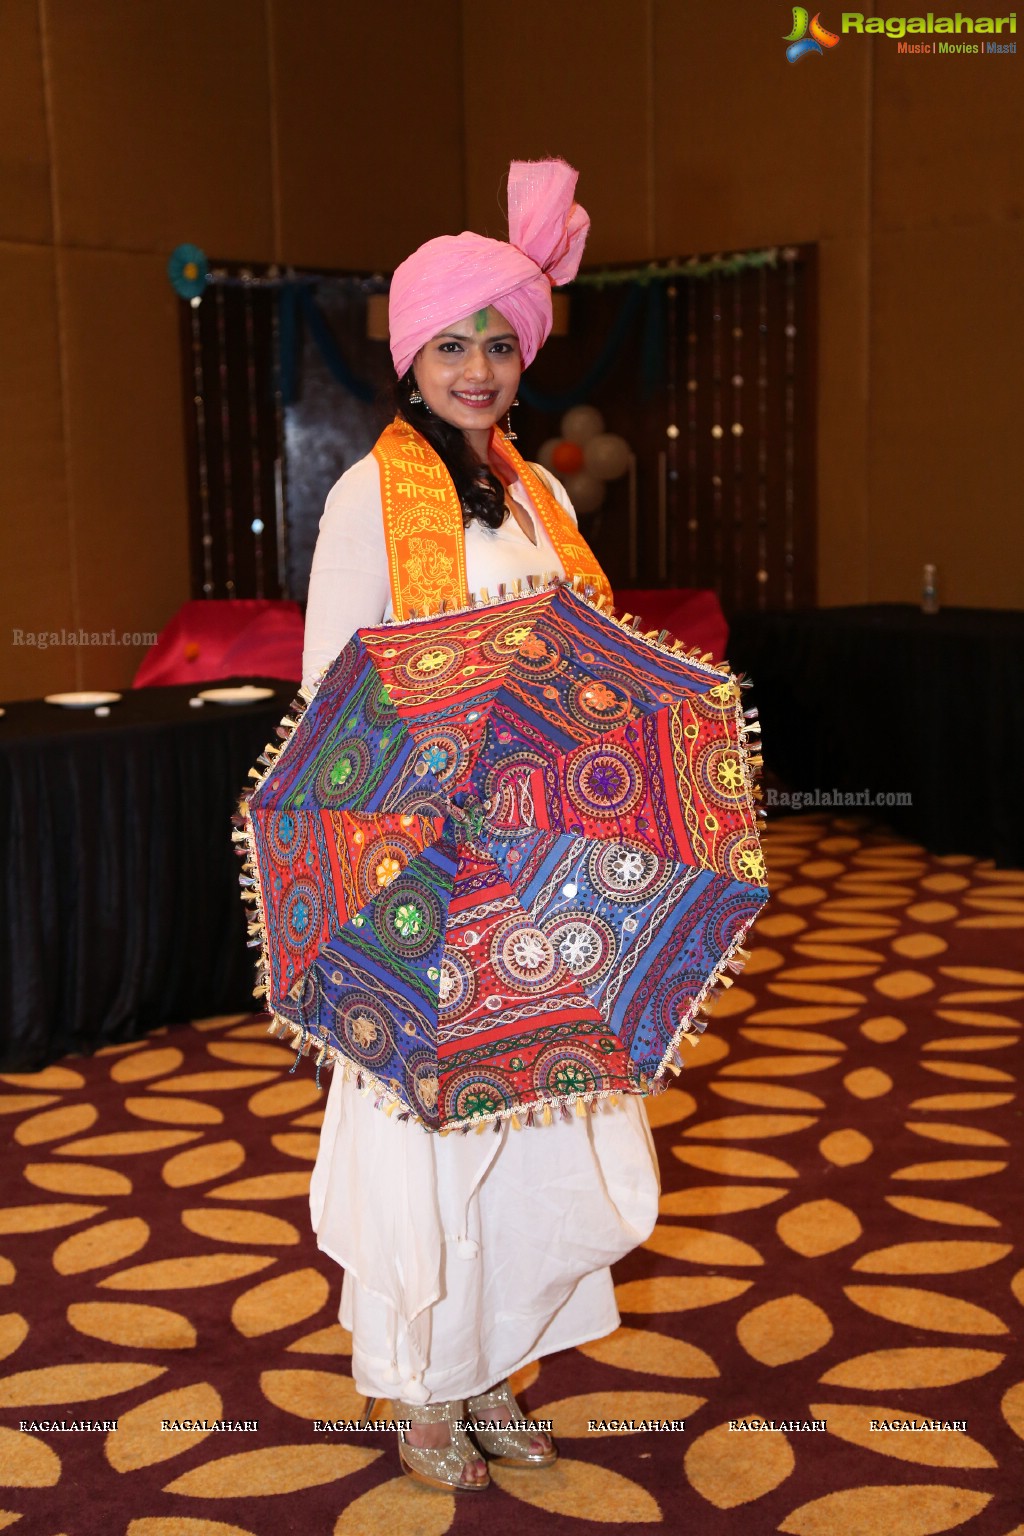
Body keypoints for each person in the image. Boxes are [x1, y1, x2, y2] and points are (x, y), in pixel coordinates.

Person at [301, 158, 661, 1493]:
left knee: (525, 1134)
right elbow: (334, 688)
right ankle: (418, 1386)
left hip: (543, 869)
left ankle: (494, 1364)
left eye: (498, 343)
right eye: (453, 342)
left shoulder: (542, 498)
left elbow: (594, 658)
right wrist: (449, 776)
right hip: (426, 864)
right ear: (410, 359)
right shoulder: (364, 500)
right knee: (424, 1134)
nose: (478, 366)